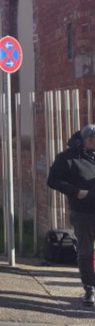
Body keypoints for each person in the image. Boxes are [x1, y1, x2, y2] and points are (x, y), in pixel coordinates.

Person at [47, 124, 95, 307]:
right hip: (83, 211)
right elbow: (53, 180)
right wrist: (76, 192)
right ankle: (90, 288)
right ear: (89, 140)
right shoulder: (67, 158)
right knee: (85, 250)